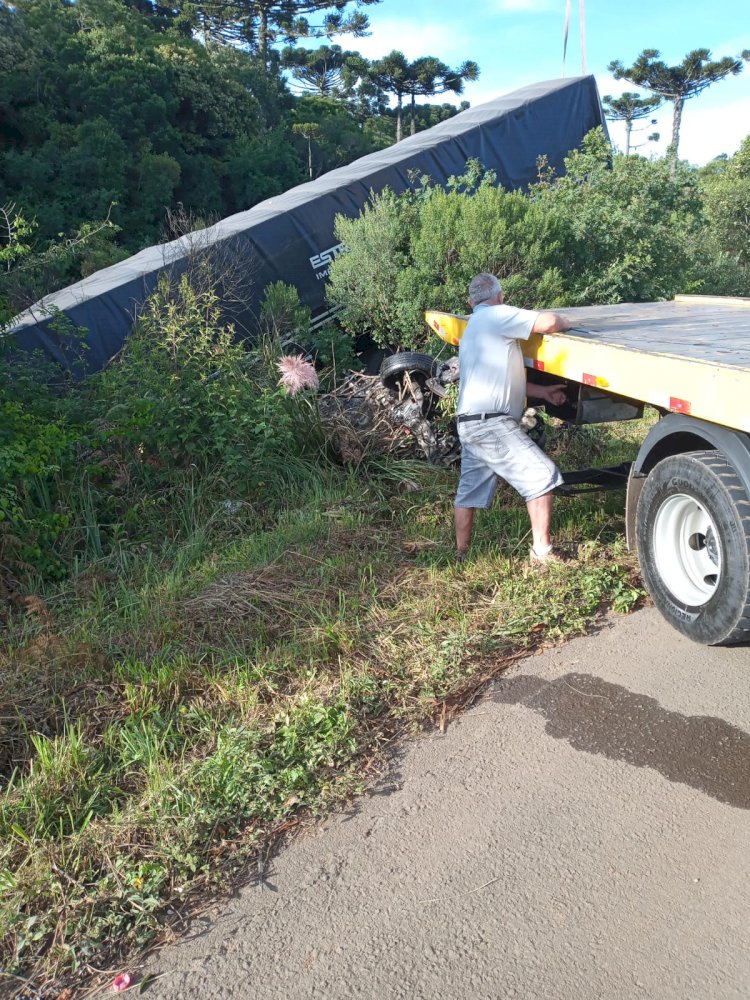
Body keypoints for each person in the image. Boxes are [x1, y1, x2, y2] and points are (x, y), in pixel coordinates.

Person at [454, 272, 573, 565]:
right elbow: (549, 323)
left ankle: (461, 555)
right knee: (542, 476)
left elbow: (502, 378)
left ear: (470, 302)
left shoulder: (473, 328)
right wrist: (569, 320)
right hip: (491, 423)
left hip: (470, 423)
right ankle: (542, 554)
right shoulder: (496, 315)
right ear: (501, 296)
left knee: (468, 492)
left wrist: (544, 392)